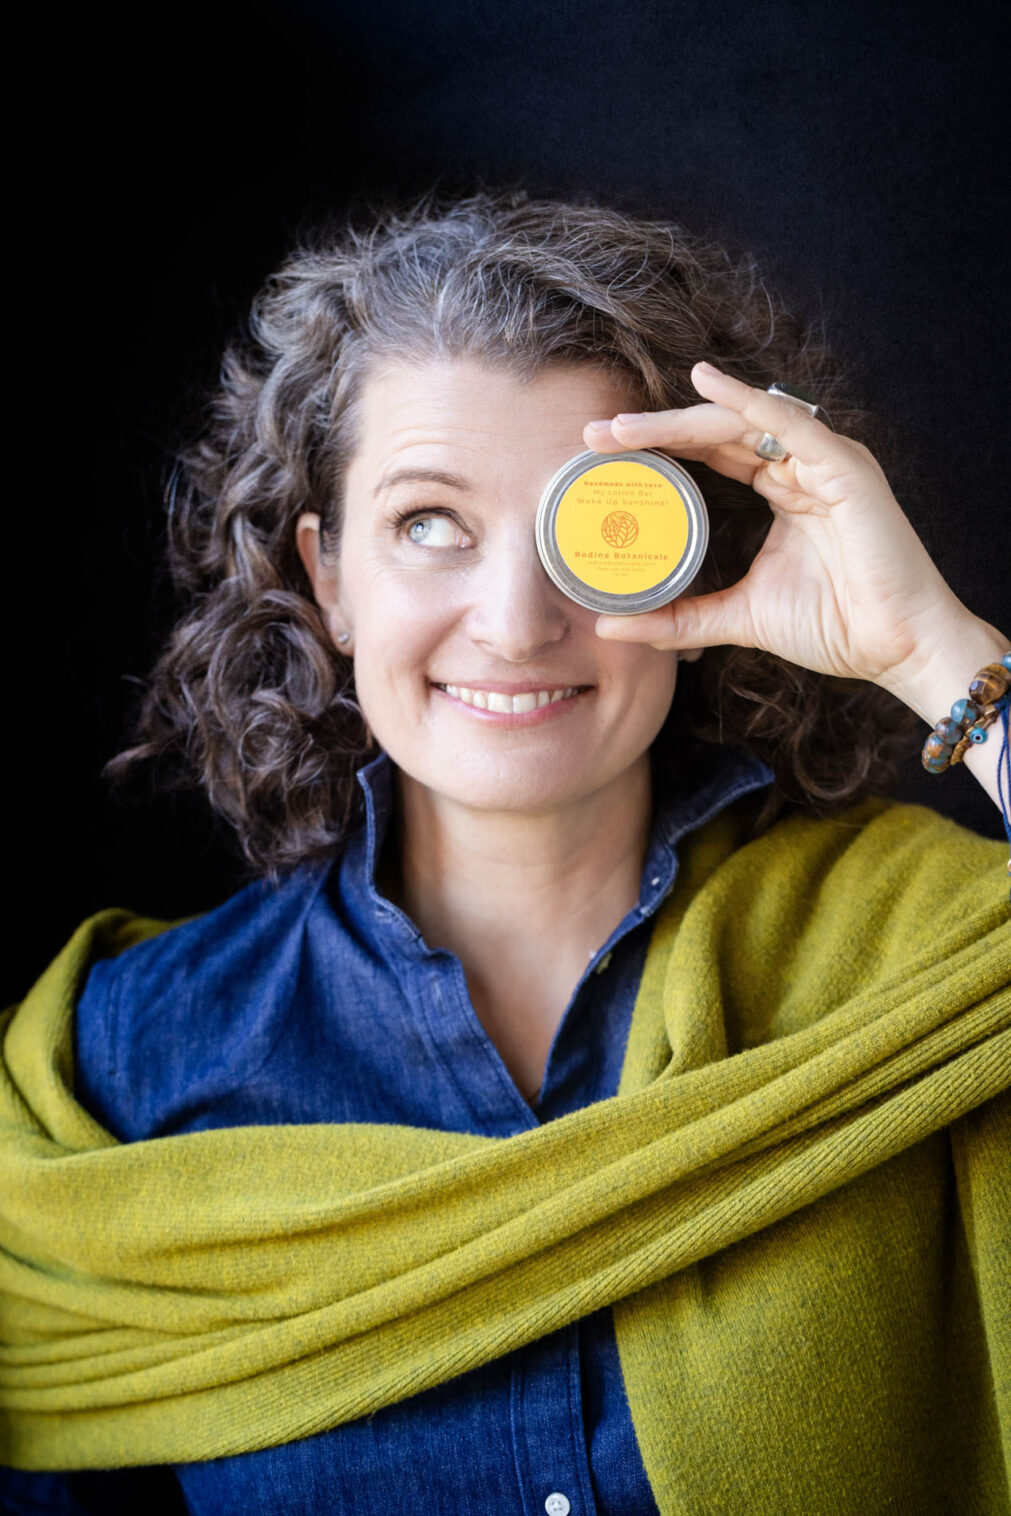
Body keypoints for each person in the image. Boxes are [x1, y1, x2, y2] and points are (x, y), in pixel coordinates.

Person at [1, 188, 1008, 1516]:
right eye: (430, 523)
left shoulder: (919, 956)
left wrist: (929, 648)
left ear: (696, 554)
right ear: (330, 577)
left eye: (595, 529)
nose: (518, 622)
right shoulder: (123, 1069)